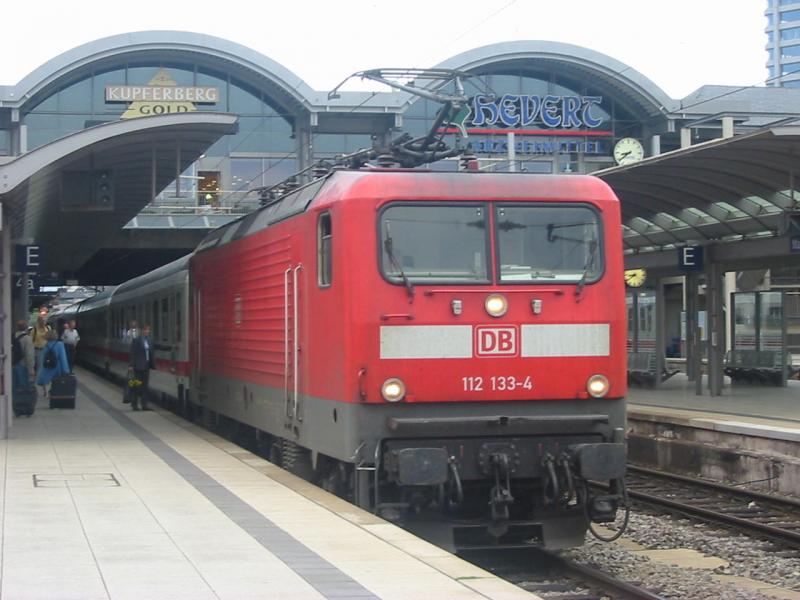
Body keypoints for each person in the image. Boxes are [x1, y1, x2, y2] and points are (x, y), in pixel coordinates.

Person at [35, 329, 70, 399]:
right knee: (56, 383)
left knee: (48, 381)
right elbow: (63, 358)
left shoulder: (46, 345)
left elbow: (43, 359)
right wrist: (66, 370)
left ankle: (47, 393)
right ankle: (53, 394)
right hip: (57, 368)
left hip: (47, 368)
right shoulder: (60, 344)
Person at [128, 324, 155, 411]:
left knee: (145, 387)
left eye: (148, 330)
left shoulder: (149, 340)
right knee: (137, 386)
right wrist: (131, 365)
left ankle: (144, 405)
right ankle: (134, 405)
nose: (147, 331)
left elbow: (151, 352)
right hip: (138, 366)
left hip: (146, 366)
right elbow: (133, 353)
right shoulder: (136, 340)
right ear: (141, 331)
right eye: (145, 330)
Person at [12, 320, 35, 390]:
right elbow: (29, 355)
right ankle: (23, 400)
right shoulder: (27, 338)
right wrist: (31, 369)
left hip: (13, 364)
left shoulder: (12, 337)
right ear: (26, 327)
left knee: (14, 386)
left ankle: (14, 400)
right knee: (24, 386)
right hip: (23, 365)